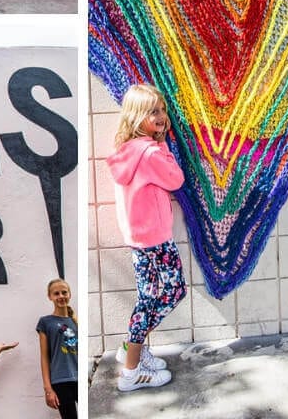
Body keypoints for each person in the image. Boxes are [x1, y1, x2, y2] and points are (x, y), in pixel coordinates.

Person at [108, 83, 187, 391]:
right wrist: (162, 145)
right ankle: (131, 369)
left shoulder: (126, 150)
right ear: (137, 116)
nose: (162, 116)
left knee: (150, 296)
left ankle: (133, 350)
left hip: (139, 236)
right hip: (155, 237)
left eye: (162, 110)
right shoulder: (151, 152)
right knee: (171, 292)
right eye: (153, 111)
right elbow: (176, 178)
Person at [36, 278, 78, 418]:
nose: (61, 296)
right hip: (60, 381)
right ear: (50, 297)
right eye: (56, 293)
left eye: (64, 292)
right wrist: (48, 389)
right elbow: (44, 357)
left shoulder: (76, 321)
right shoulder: (45, 322)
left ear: (69, 294)